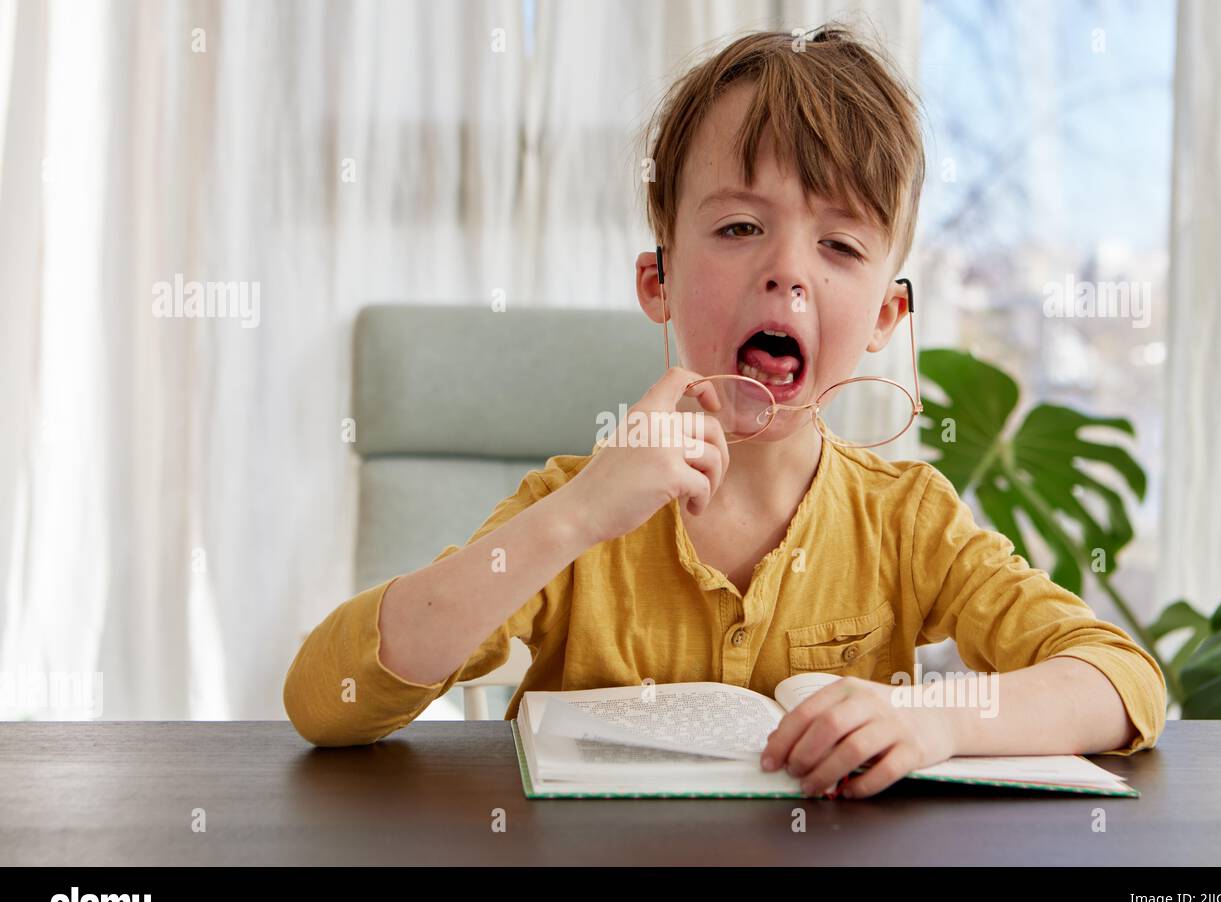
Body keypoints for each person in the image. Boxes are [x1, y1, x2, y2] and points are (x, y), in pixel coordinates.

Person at [283, 23, 1166, 799]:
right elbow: (327, 701)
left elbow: (1122, 679)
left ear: (886, 318)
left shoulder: (909, 522)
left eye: (841, 243)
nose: (788, 270)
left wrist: (934, 718)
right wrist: (578, 516)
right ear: (656, 281)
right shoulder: (575, 508)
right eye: (741, 227)